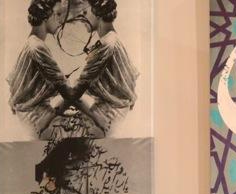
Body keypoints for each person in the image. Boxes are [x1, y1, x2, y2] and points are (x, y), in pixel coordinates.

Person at [56, 0, 139, 135]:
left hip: (108, 117)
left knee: (59, 132)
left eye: (85, 13)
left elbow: (75, 93)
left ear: (97, 14)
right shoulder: (113, 40)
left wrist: (53, 112)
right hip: (113, 113)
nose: (81, 18)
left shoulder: (105, 45)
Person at [7, 0, 67, 137]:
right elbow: (67, 91)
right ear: (46, 16)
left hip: (29, 118)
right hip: (37, 121)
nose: (61, 20)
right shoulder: (38, 47)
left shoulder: (30, 43)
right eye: (58, 14)